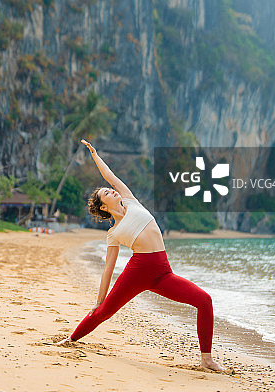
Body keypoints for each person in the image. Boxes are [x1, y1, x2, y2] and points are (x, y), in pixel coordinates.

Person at [57, 139, 225, 373]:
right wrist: (99, 299)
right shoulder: (113, 234)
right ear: (104, 206)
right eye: (107, 193)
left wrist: (95, 155)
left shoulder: (130, 200)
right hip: (137, 272)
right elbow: (108, 268)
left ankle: (206, 359)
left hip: (163, 273)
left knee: (204, 301)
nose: (113, 190)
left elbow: (110, 175)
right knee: (104, 311)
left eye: (110, 189)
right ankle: (72, 339)